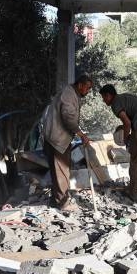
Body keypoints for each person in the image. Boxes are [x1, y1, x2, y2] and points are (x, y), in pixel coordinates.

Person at [98, 84, 137, 200]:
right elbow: (131, 120)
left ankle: (134, 193)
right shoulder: (125, 97)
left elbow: (127, 123)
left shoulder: (116, 103)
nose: (103, 101)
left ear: (109, 95)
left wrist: (126, 139)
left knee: (135, 160)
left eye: (103, 97)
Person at [41, 75, 93, 211]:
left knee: (56, 171)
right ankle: (63, 203)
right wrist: (81, 134)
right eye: (87, 88)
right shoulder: (69, 93)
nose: (87, 91)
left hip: (55, 137)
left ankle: (55, 200)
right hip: (57, 138)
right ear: (80, 85)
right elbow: (68, 116)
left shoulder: (71, 93)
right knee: (62, 171)